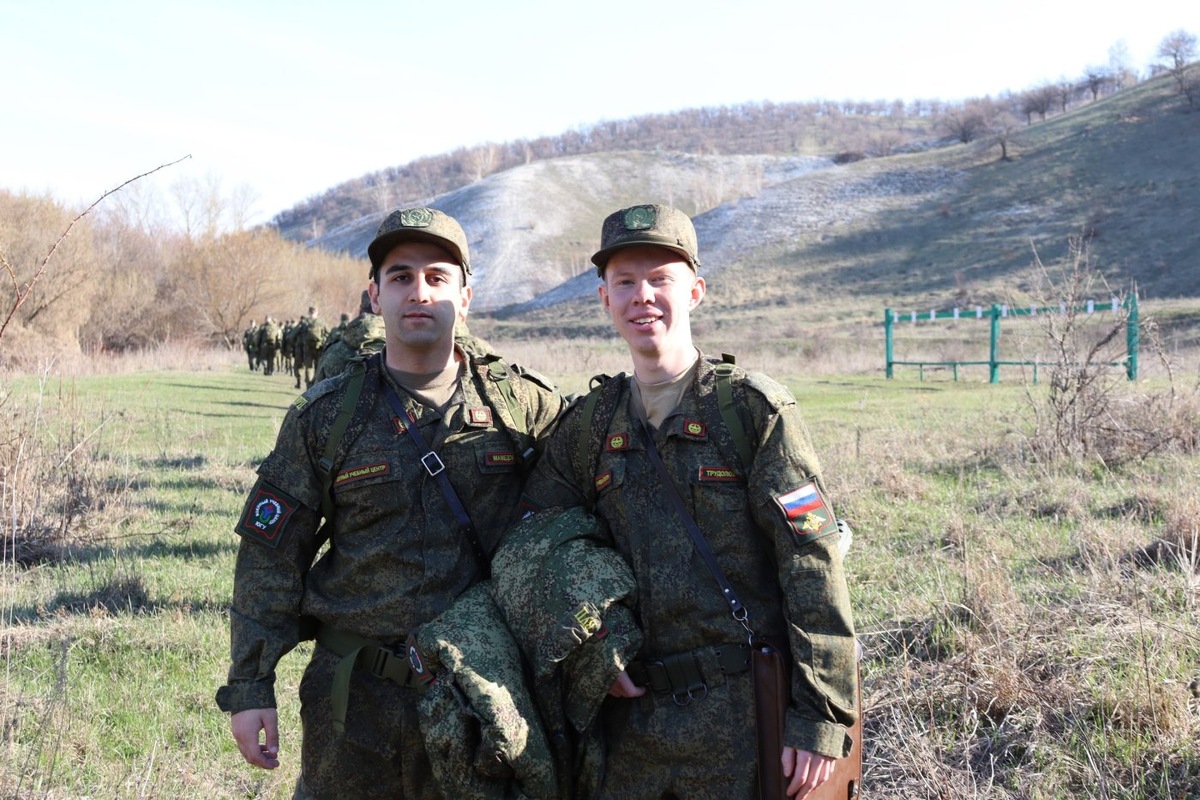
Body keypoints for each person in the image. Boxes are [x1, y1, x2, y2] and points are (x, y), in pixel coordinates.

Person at [215, 206, 565, 799]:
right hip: (353, 702)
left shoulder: (523, 407)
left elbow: (579, 529)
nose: (419, 292)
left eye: (437, 277)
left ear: (465, 296)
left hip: (485, 698)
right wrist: (251, 686)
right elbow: (270, 556)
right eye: (401, 277)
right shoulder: (328, 416)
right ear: (375, 295)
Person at [515, 204, 858, 799]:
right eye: (625, 281)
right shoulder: (590, 425)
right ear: (604, 298)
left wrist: (819, 715)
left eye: (660, 279)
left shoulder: (749, 411)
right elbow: (534, 540)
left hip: (744, 724)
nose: (642, 296)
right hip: (631, 736)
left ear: (695, 291)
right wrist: (594, 640)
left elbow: (811, 560)